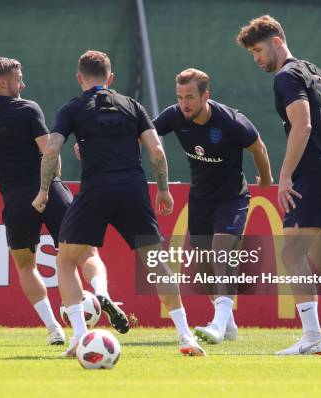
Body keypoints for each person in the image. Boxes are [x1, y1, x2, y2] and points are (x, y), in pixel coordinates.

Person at [32, 50, 206, 357]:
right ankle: (185, 335)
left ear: (79, 78)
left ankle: (79, 339)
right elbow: (157, 152)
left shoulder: (73, 108)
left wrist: (45, 190)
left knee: (67, 259)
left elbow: (51, 150)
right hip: (133, 189)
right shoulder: (132, 106)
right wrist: (163, 190)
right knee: (155, 263)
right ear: (110, 79)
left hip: (96, 188)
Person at [0, 56, 129, 346]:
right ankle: (101, 292)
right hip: (49, 191)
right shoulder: (27, 109)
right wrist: (48, 189)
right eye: (18, 78)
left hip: (15, 200)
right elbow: (50, 151)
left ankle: (54, 329)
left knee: (26, 265)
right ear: (2, 82)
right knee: (86, 253)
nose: (23, 84)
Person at [237, 15, 321, 355]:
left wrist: (286, 176)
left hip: (313, 177)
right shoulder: (316, 71)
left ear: (277, 41)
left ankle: (312, 338)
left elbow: (302, 126)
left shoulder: (287, 76)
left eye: (259, 51)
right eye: (252, 54)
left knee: (292, 253)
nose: (258, 59)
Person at [153, 68, 273, 344]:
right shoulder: (174, 116)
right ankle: (228, 324)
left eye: (191, 97)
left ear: (206, 95)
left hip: (233, 198)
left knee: (221, 253)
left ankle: (217, 326)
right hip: (200, 200)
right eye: (180, 97)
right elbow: (144, 133)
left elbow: (259, 148)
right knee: (204, 267)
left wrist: (266, 180)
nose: (185, 104)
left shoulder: (231, 121)